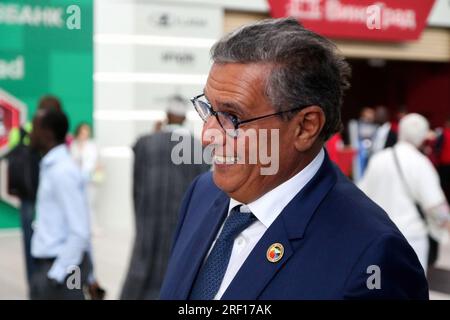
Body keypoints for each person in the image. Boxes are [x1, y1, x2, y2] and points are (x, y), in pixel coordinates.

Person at [159, 18, 428, 300]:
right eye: (209, 109)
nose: (207, 136)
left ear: (305, 127)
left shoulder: (373, 255)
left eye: (233, 117)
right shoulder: (202, 194)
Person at [120, 95, 210, 299]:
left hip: (148, 225)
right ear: (185, 117)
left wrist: (141, 219)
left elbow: (136, 188)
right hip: (184, 225)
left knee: (141, 272)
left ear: (167, 115)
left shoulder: (146, 143)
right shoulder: (199, 148)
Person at [359, 113, 450, 273]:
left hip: (377, 237)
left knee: (379, 288)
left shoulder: (378, 159)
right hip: (410, 237)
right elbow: (436, 207)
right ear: (422, 137)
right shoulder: (421, 163)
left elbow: (361, 197)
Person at [29, 109, 91, 299]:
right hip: (49, 267)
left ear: (47, 133)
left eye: (35, 128)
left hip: (59, 272)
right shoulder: (51, 167)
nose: (30, 133)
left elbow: (80, 231)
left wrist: (56, 274)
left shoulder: (62, 171)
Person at [5, 95, 62, 295]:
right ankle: (37, 284)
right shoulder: (33, 132)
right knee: (33, 239)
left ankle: (37, 283)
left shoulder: (23, 131)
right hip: (32, 190)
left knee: (33, 238)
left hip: (32, 191)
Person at [70, 122, 101, 233]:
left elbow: (96, 161)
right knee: (78, 204)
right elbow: (73, 161)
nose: (85, 134)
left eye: (87, 132)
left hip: (91, 178)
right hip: (77, 179)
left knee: (90, 203)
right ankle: (79, 227)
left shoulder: (92, 145)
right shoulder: (74, 145)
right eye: (83, 132)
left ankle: (93, 227)